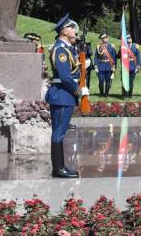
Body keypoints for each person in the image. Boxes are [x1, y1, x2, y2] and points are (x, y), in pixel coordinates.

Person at [45, 14, 88, 178]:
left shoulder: (66, 48)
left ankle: (60, 166)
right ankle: (58, 169)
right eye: (71, 27)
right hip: (62, 95)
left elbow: (72, 69)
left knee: (60, 132)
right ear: (63, 31)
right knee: (58, 132)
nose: (74, 30)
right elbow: (64, 77)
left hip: (64, 95)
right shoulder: (61, 50)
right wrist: (78, 90)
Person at [94, 33, 116, 97]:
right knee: (101, 80)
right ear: (102, 39)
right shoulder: (99, 46)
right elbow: (96, 57)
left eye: (106, 38)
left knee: (108, 81)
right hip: (101, 65)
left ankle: (106, 94)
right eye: (104, 38)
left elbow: (114, 57)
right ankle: (101, 93)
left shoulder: (112, 46)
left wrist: (114, 66)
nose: (105, 39)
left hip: (109, 65)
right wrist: (96, 66)